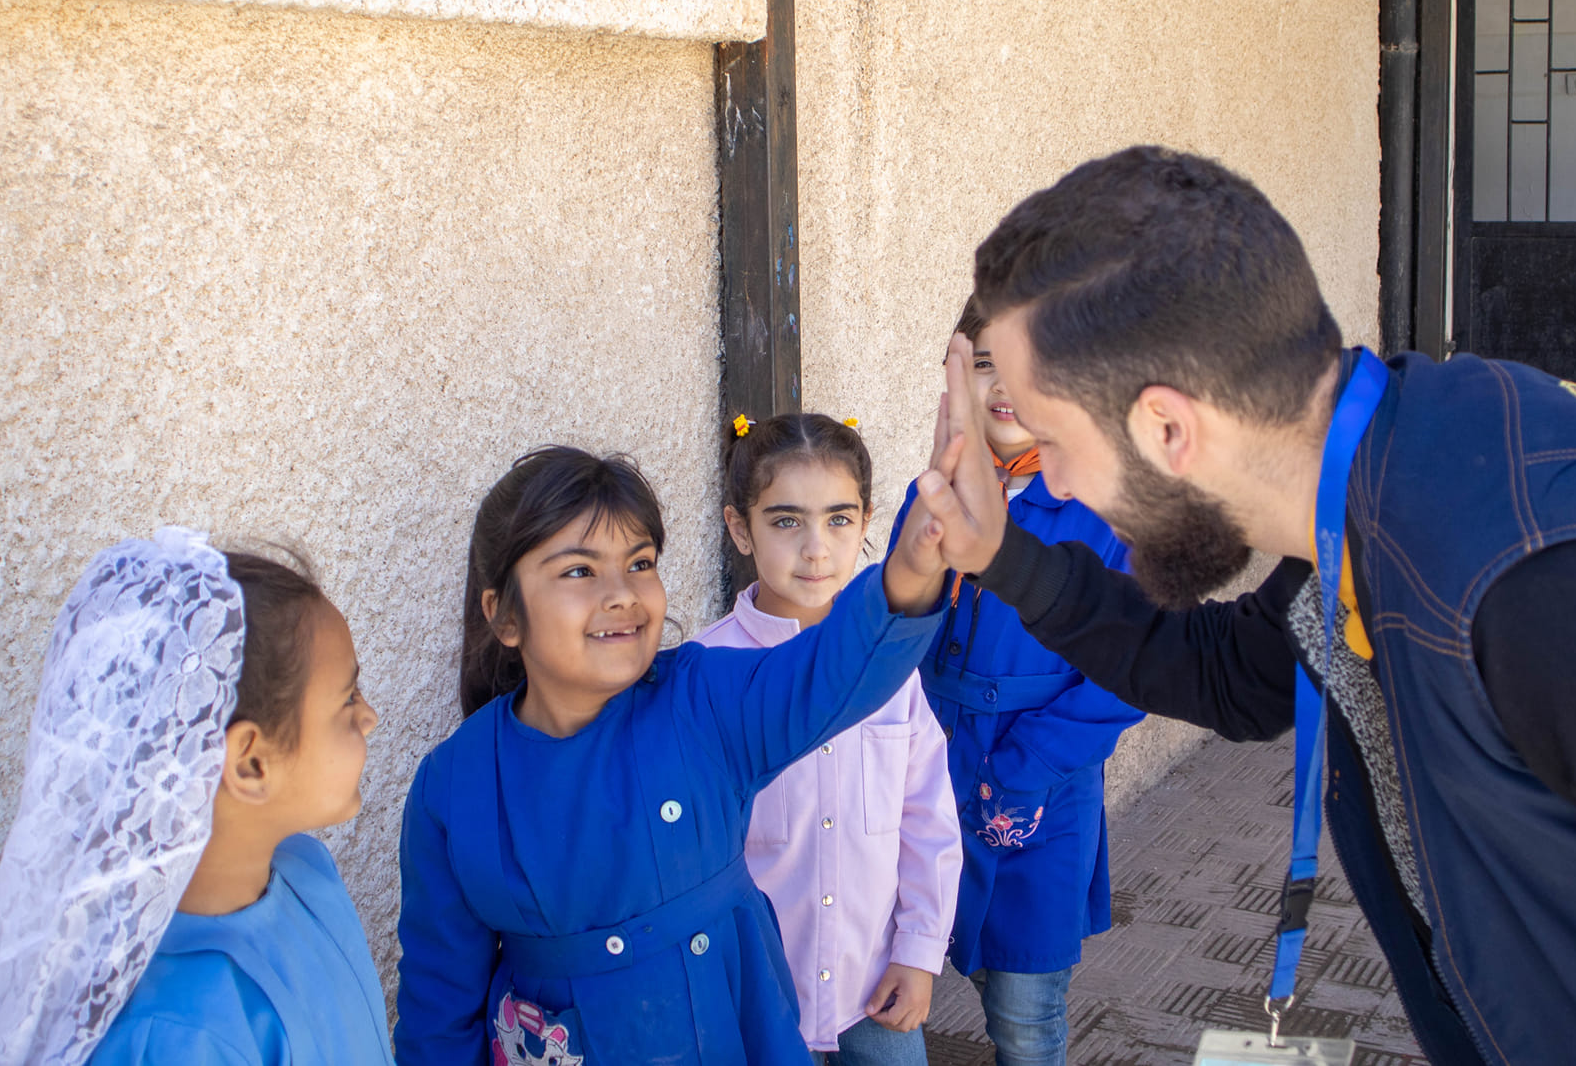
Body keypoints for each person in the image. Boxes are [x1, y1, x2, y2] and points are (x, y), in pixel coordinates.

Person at [907, 145, 1576, 1066]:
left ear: (1166, 425)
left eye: (1054, 439)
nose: (1059, 485)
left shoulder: (1545, 582)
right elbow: (1224, 674)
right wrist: (999, 551)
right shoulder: (1374, 494)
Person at [393, 445, 954, 1066]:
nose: (621, 595)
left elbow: (828, 674)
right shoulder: (454, 786)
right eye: (580, 571)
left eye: (639, 563)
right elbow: (438, 1010)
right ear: (504, 616)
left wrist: (915, 557)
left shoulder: (703, 700)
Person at [0, 529, 392, 1066]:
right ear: (250, 763)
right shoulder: (177, 1037)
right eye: (348, 700)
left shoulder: (306, 870)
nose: (369, 717)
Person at [886, 303, 1144, 1066]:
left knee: (1027, 1013)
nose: (1008, 388)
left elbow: (1124, 673)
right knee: (895, 972)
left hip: (1043, 778)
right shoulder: (932, 491)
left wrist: (1024, 767)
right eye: (988, 363)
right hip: (928, 765)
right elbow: (898, 618)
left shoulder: (1105, 512)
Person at [695, 412, 961, 1065]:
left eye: (838, 519)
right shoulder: (705, 674)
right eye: (787, 520)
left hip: (872, 983)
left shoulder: (889, 669)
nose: (816, 548)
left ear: (867, 521)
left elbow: (926, 815)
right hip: (755, 998)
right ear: (740, 526)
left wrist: (919, 953)